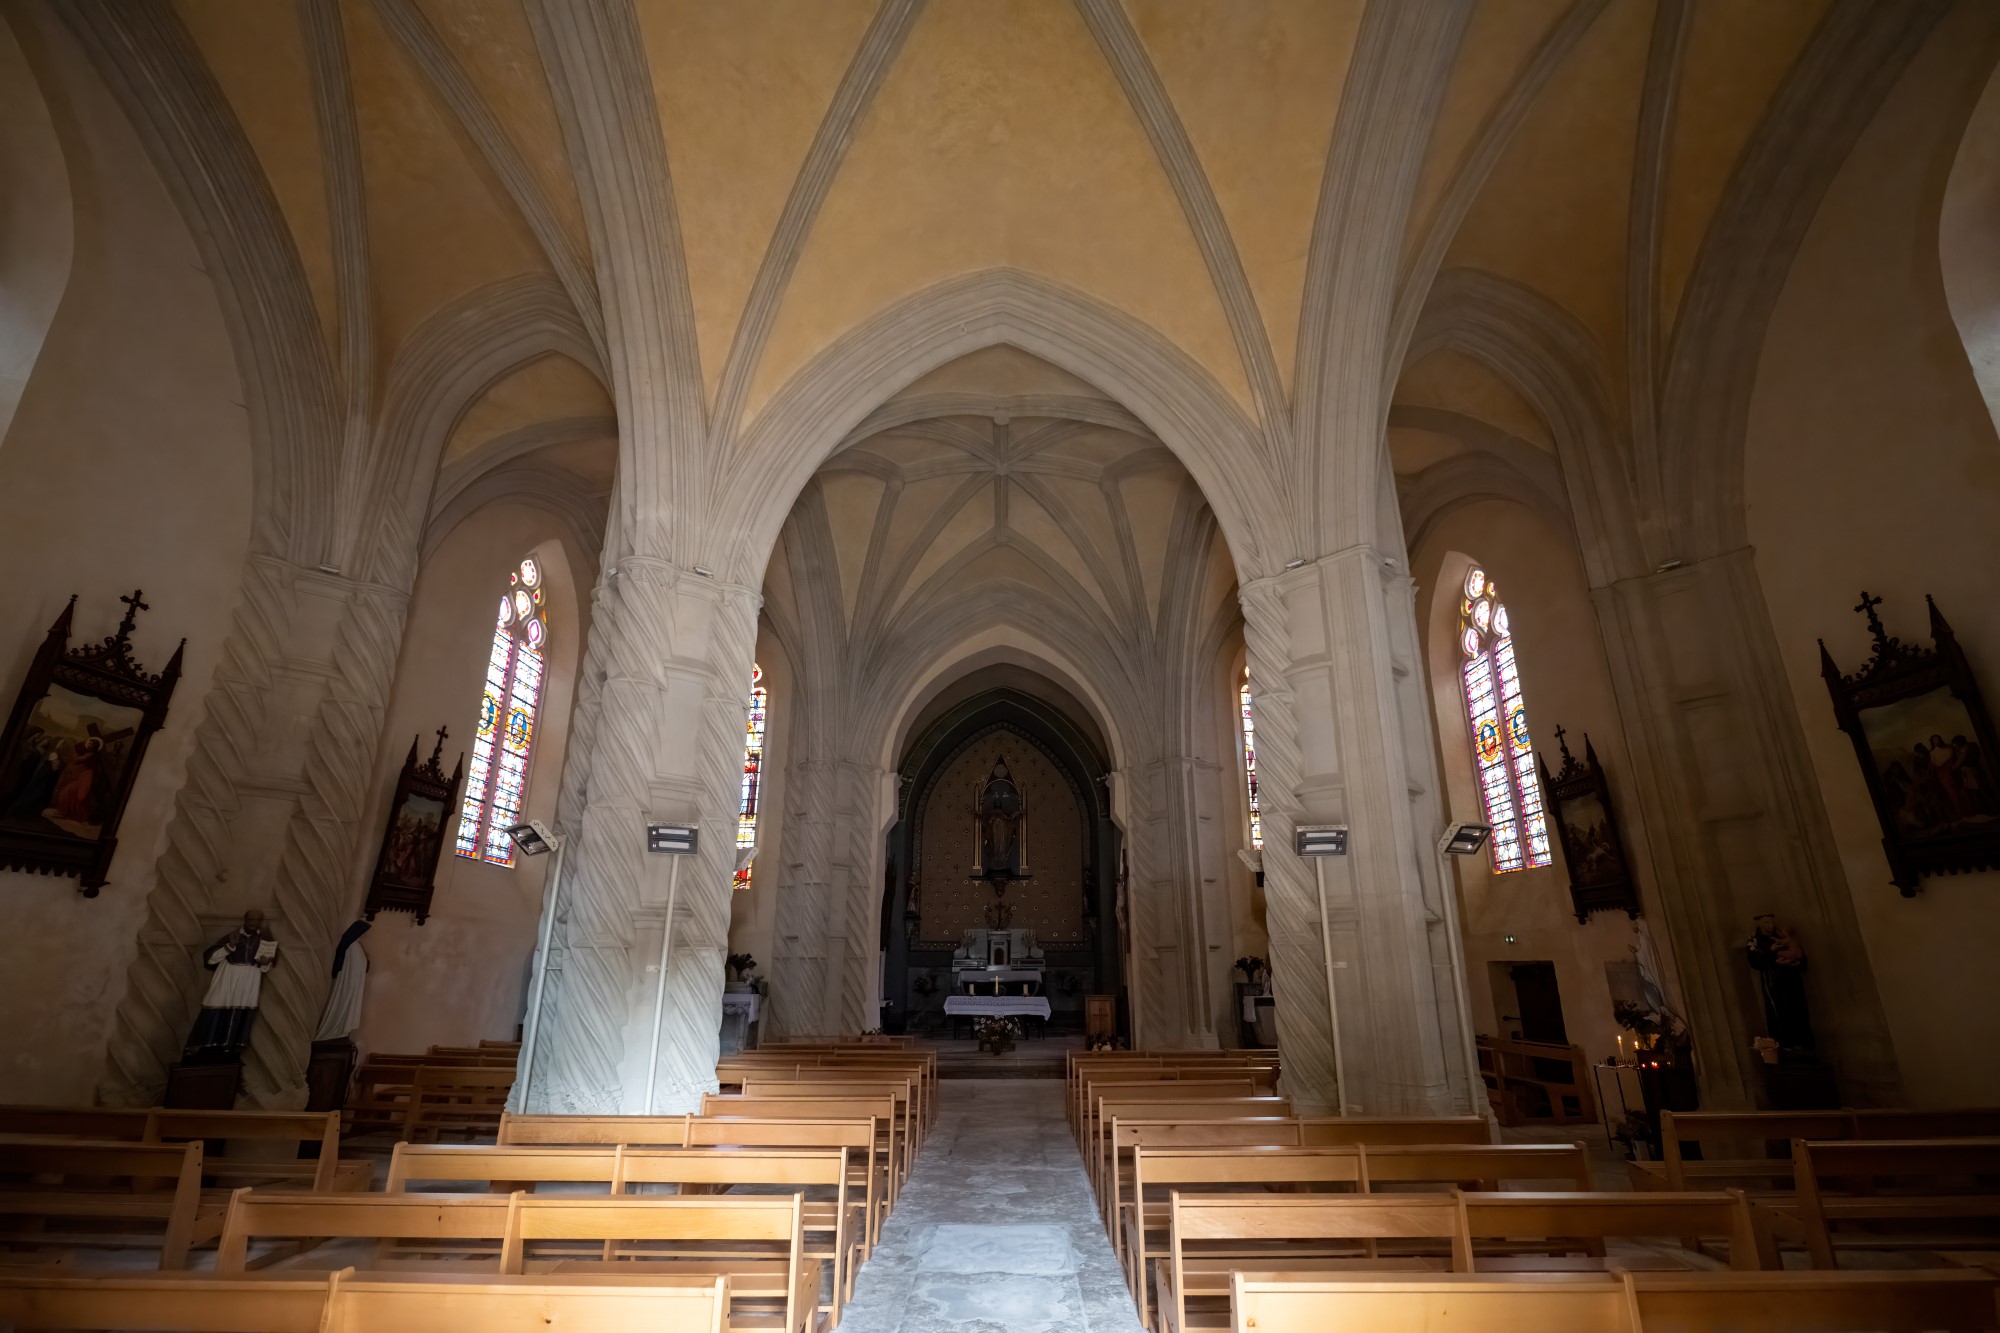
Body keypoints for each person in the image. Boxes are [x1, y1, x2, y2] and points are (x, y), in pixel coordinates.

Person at [183, 910, 279, 1064]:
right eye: (250, 920)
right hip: (228, 976)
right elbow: (211, 959)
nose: (253, 923)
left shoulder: (264, 940)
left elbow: (266, 966)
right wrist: (230, 946)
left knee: (240, 1011)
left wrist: (265, 962)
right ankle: (200, 1046)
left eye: (257, 920)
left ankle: (230, 1047)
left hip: (250, 979)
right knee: (214, 1007)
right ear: (245, 920)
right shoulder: (232, 936)